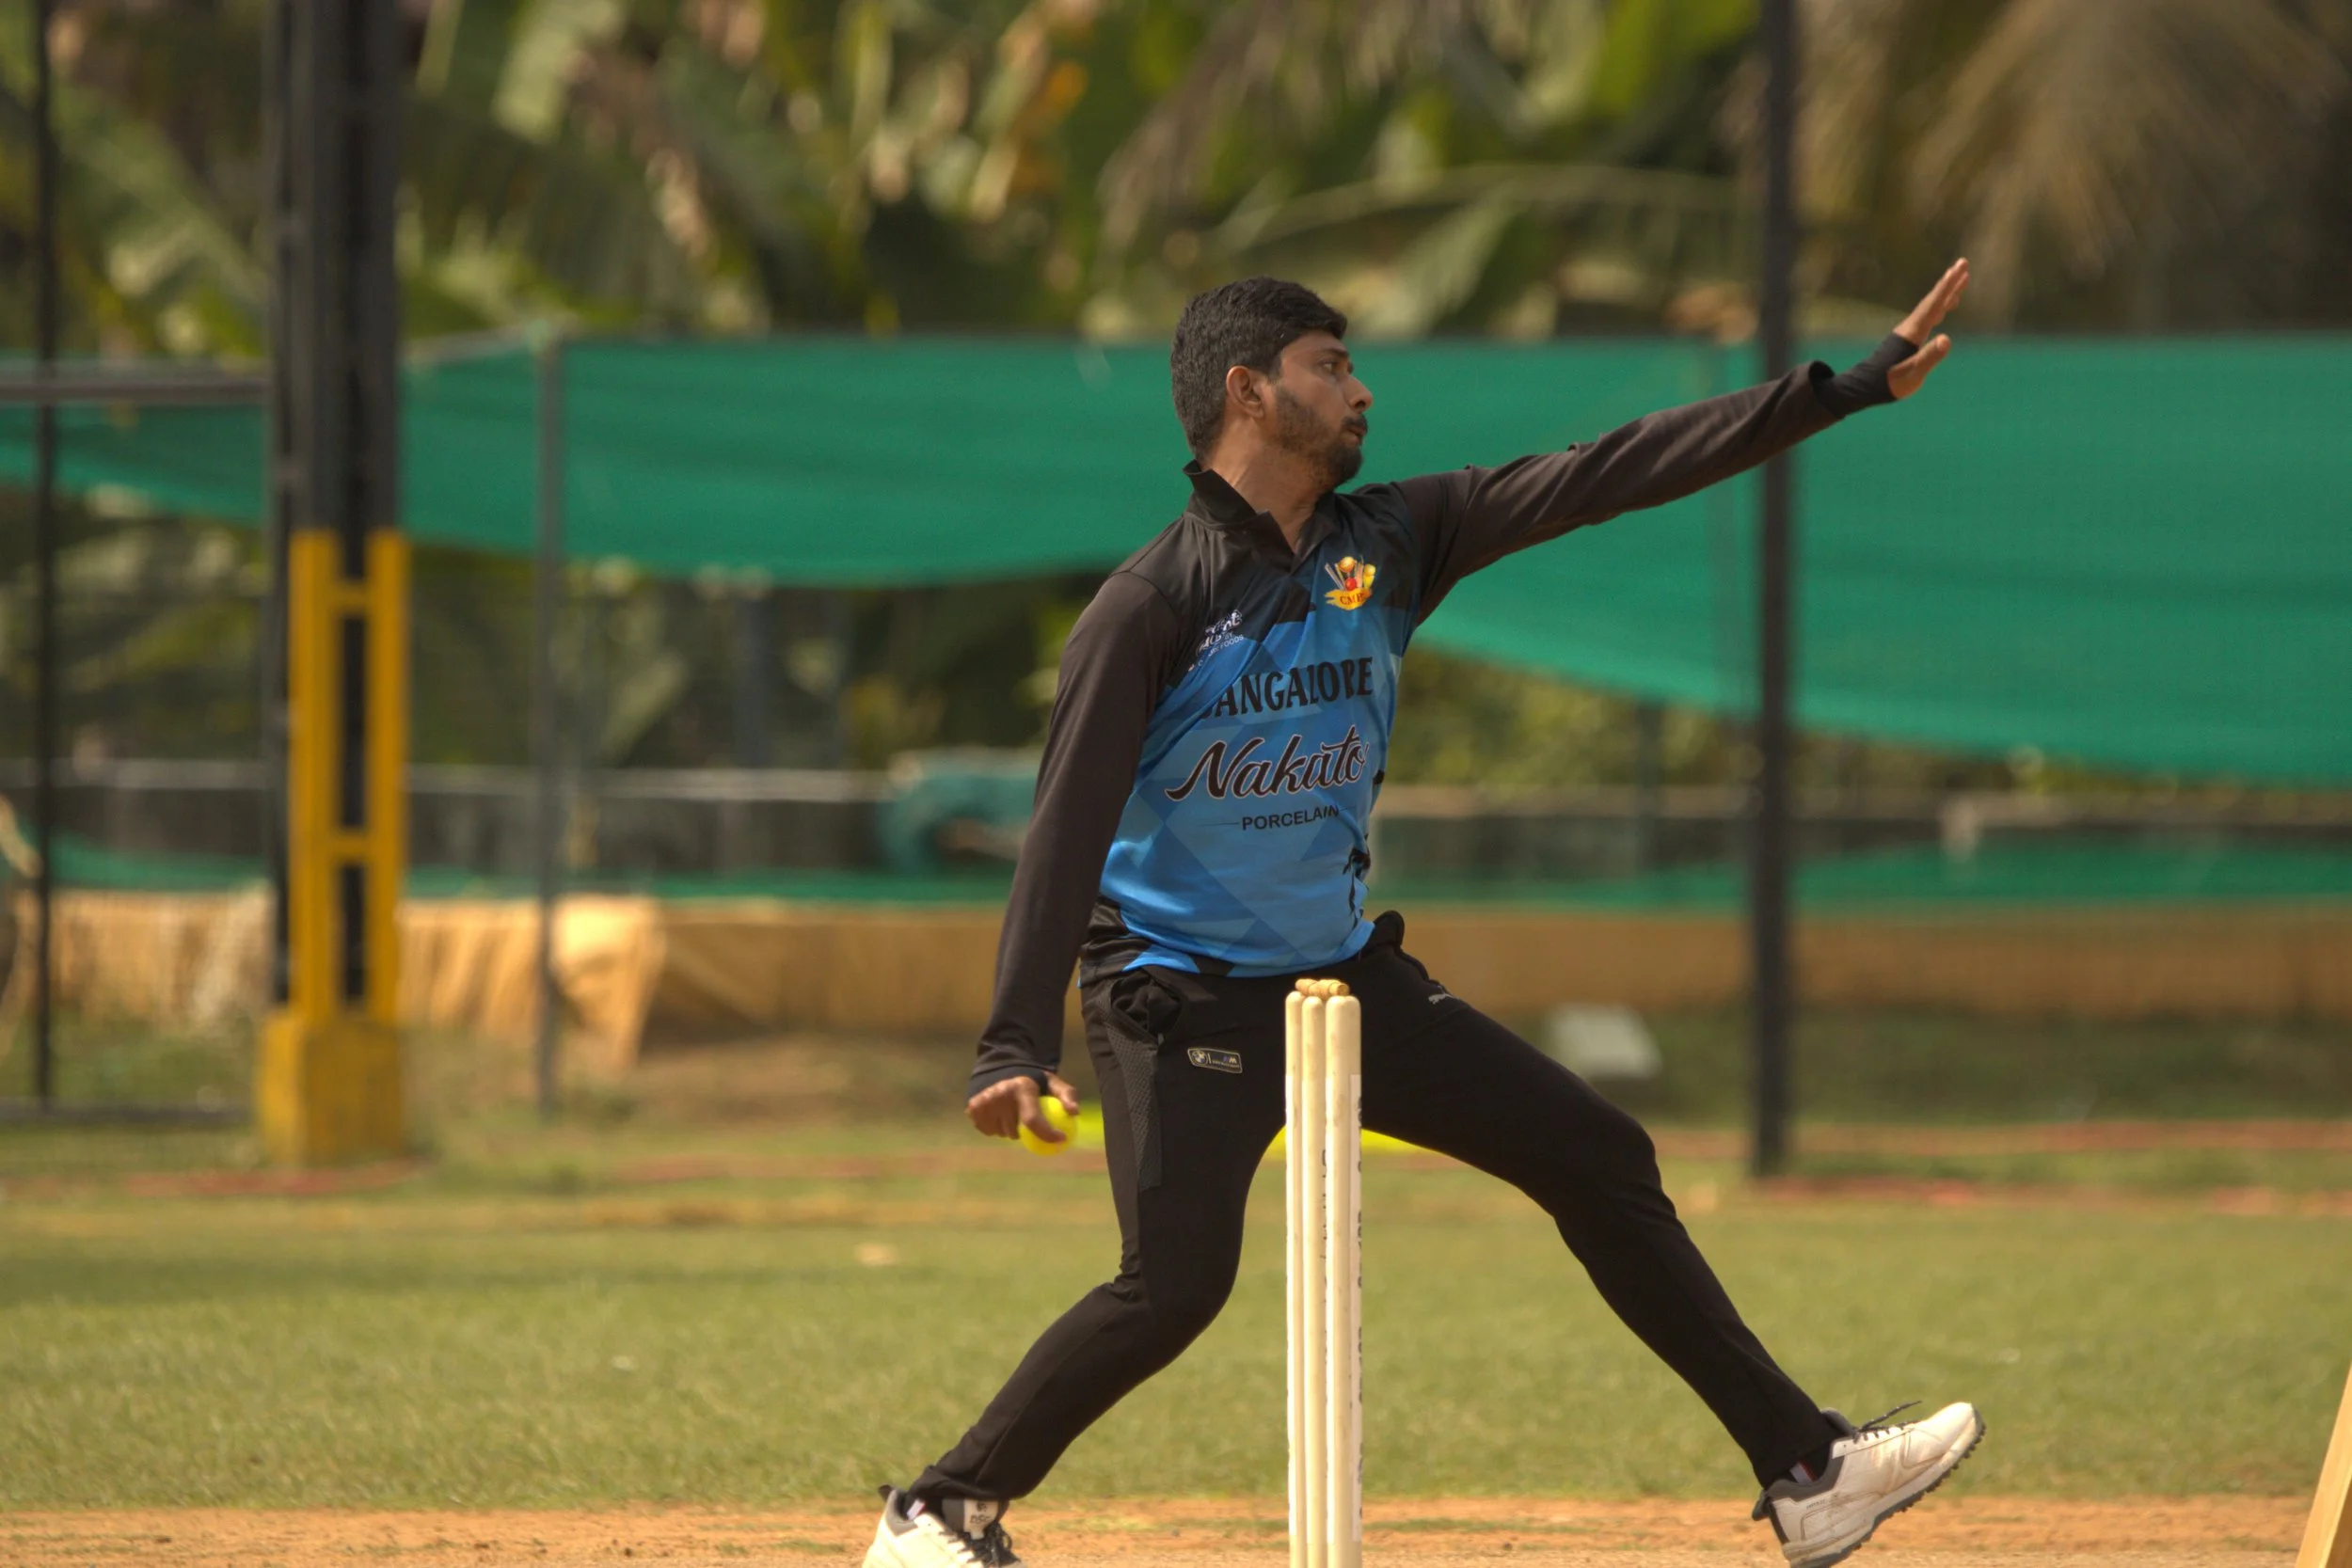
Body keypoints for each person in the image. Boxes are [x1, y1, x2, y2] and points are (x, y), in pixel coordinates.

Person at [863, 264, 1984, 1568]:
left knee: (1598, 1150)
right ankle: (937, 1511)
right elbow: (1062, 830)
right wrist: (1012, 1040)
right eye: (1331, 366)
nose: (1360, 387)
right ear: (1249, 392)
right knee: (1173, 1287)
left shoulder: (1391, 539)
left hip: (1338, 986)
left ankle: (1808, 1471)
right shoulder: (1149, 607)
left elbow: (1607, 469)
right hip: (1176, 987)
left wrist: (1834, 395)